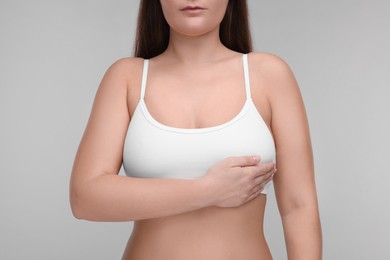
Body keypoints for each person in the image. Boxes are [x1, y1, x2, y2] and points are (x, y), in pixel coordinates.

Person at [70, 0, 322, 259]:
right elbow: (85, 198)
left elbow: (298, 207)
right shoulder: (126, 79)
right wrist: (209, 191)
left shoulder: (268, 75)